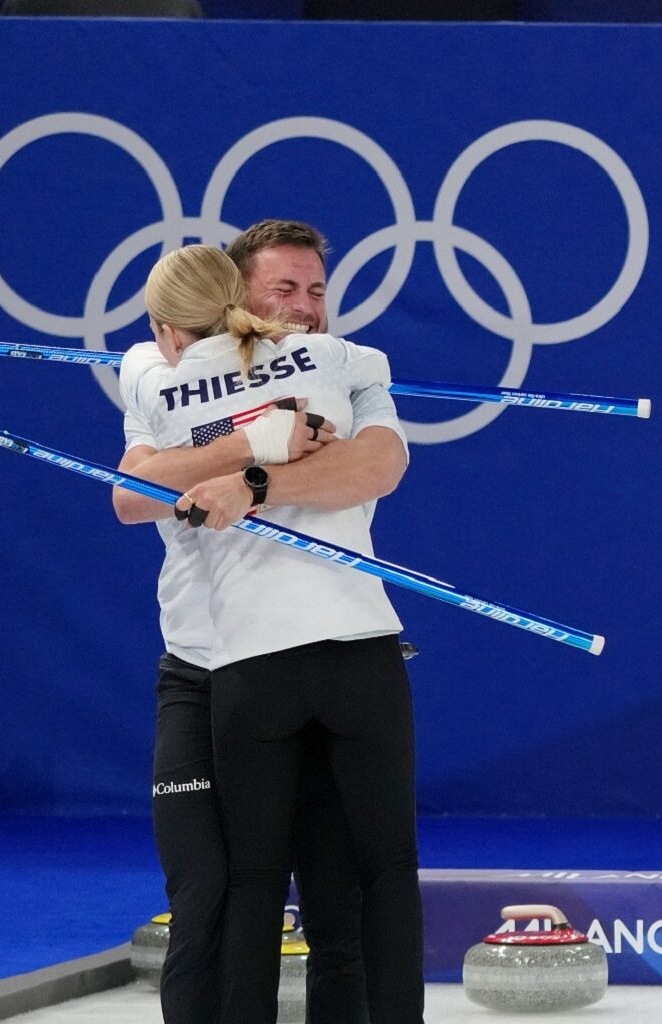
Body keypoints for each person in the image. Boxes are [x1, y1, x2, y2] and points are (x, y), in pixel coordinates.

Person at [118, 244, 423, 1024]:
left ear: (168, 325)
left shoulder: (164, 384)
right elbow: (133, 498)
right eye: (286, 288)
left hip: (254, 666)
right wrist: (263, 438)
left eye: (316, 288)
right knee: (384, 872)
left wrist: (248, 479)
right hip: (320, 653)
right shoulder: (333, 359)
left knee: (261, 883)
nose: (305, 303)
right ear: (245, 293)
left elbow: (374, 467)